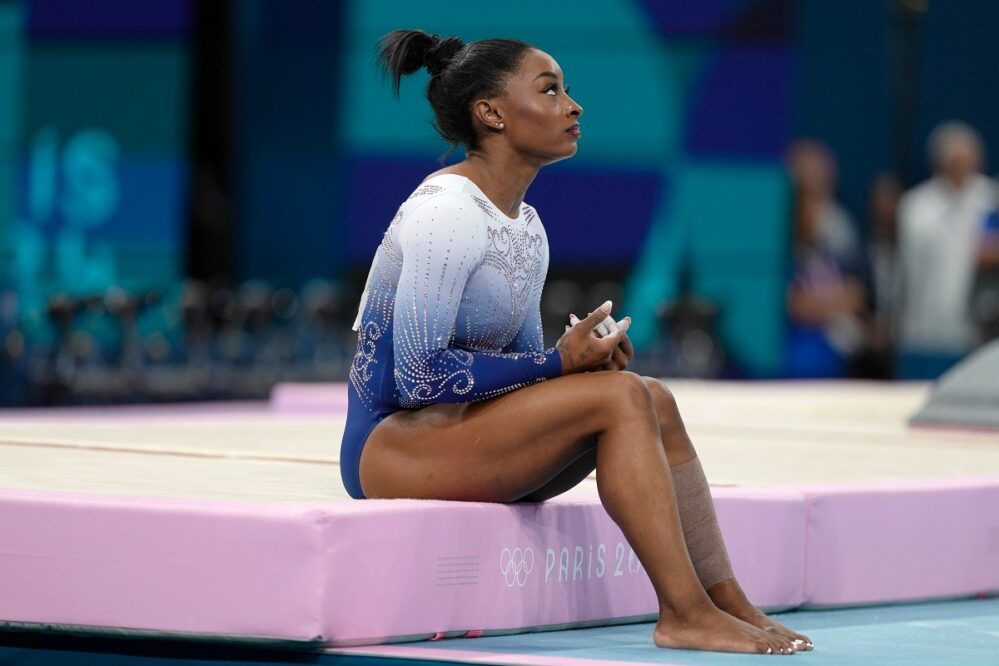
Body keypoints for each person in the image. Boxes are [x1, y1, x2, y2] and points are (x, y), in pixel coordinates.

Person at [340, 28, 810, 655]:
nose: (574, 105)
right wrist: (562, 362)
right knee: (619, 400)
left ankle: (727, 600)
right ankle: (682, 611)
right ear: (491, 113)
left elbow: (520, 372)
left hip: (458, 433)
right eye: (551, 90)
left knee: (649, 397)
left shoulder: (526, 227)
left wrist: (582, 366)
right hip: (389, 445)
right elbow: (417, 377)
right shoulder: (445, 212)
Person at [896, 121, 999, 377]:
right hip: (925, 327)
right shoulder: (916, 207)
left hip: (977, 327)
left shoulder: (990, 199)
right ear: (941, 162)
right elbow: (907, 271)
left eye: (968, 161)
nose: (962, 168)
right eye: (955, 161)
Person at [783, 139, 867, 378]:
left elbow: (855, 296)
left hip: (832, 355)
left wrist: (818, 305)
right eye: (807, 197)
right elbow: (793, 304)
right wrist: (824, 305)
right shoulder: (780, 249)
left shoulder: (835, 235)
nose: (815, 209)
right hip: (794, 356)